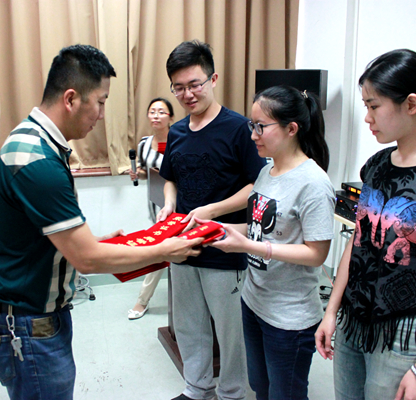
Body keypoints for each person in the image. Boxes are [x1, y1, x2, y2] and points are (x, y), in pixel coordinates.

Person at [0, 44, 203, 400]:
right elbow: (87, 260)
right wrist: (165, 250)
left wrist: (94, 241)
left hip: (30, 318)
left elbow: (40, 235)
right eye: (100, 102)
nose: (100, 115)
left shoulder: (34, 141)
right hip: (27, 326)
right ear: (71, 98)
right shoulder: (38, 160)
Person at [314, 49, 416, 400]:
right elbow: (358, 242)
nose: (367, 118)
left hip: (405, 331)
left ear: (411, 104)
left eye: (374, 106)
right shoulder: (378, 164)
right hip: (353, 320)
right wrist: (331, 311)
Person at [202, 85, 335, 400]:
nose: (253, 135)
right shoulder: (267, 171)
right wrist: (220, 228)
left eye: (261, 126)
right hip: (254, 303)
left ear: (291, 129)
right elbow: (260, 229)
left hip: (289, 318)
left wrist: (249, 246)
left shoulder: (314, 184)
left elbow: (316, 254)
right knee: (260, 387)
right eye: (252, 125)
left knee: (285, 394)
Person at [157, 40, 266, 400]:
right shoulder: (177, 131)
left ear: (213, 79)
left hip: (225, 245)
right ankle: (197, 388)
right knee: (189, 324)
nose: (187, 94)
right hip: (182, 244)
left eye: (195, 84)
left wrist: (212, 210)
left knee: (231, 330)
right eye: (179, 88)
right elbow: (170, 178)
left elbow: (257, 185)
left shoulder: (239, 128)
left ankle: (232, 393)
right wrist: (169, 204)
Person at [128, 97, 175, 320]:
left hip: (179, 205)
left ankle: (142, 301)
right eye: (152, 111)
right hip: (156, 205)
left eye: (161, 112)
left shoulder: (179, 141)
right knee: (163, 251)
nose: (156, 116)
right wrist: (137, 173)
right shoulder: (144, 144)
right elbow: (146, 171)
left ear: (170, 117)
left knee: (159, 251)